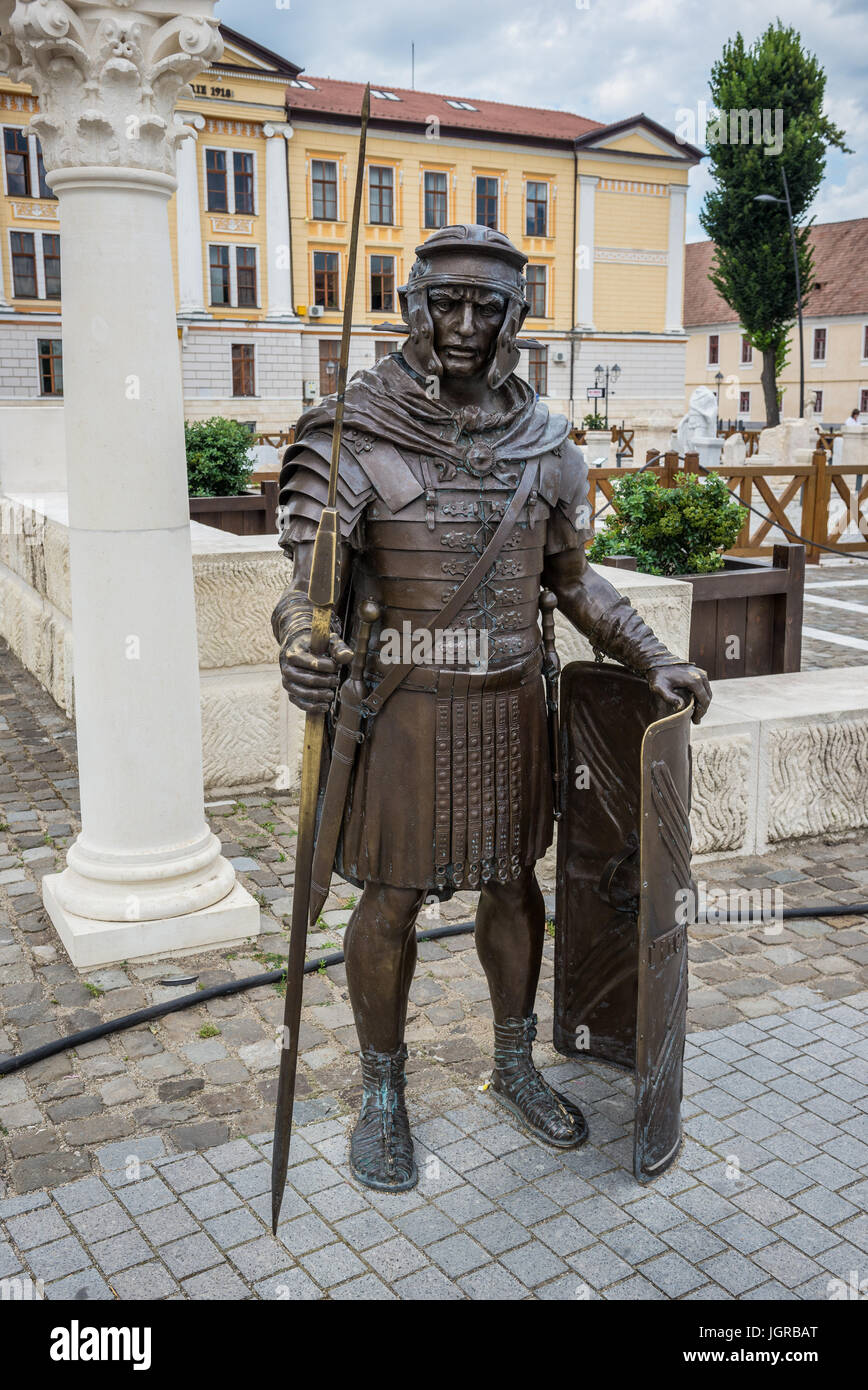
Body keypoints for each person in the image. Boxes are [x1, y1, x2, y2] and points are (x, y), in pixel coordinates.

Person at [272, 224, 711, 1191]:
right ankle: (382, 1094)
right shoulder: (352, 432)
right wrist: (304, 645)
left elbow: (573, 582)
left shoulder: (545, 443)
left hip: (514, 708)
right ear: (413, 306)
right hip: (404, 714)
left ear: (517, 316)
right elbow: (308, 592)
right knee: (389, 902)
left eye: (488, 306)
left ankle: (513, 1065)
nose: (465, 324)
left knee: (514, 885)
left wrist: (652, 654)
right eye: (447, 302)